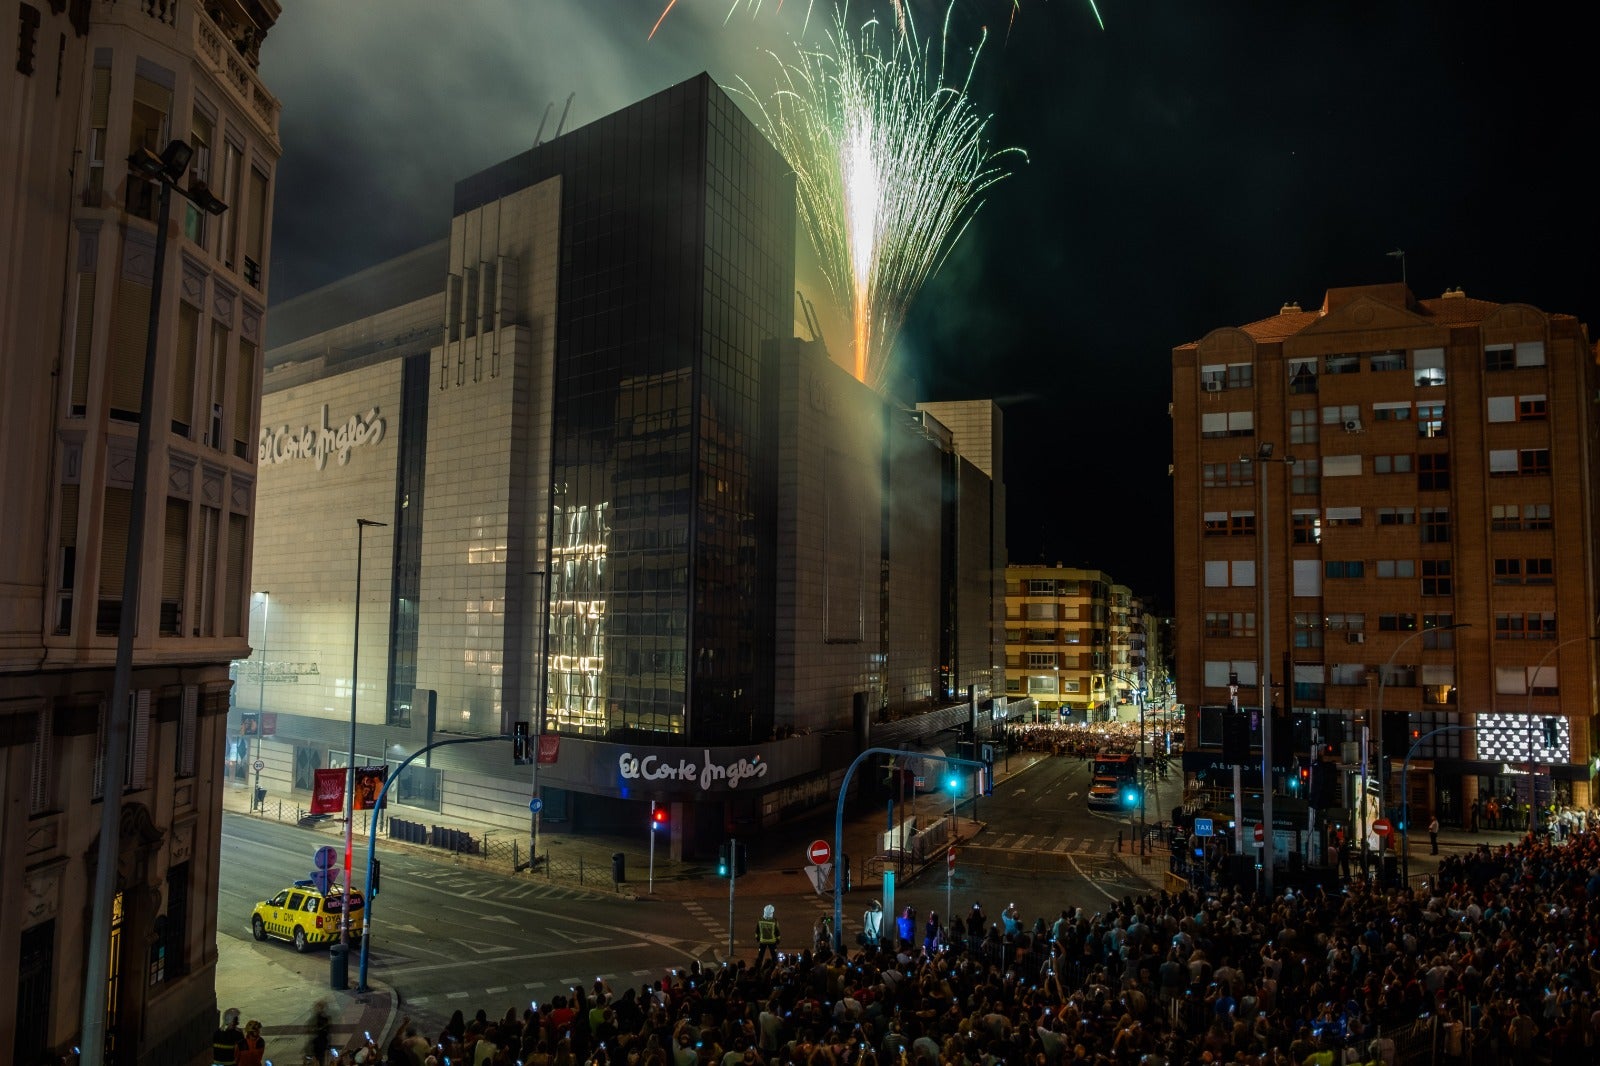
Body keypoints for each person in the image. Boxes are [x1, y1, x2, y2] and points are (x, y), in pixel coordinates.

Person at [307, 1000, 332, 1066]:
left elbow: (327, 1029)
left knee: (320, 1057)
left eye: (319, 1007)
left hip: (321, 1041)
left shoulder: (324, 1018)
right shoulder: (319, 1017)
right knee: (319, 1057)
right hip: (318, 1041)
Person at [755, 904, 780, 968]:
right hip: (772, 941)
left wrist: (757, 938)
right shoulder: (774, 921)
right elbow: (777, 932)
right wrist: (778, 940)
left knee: (760, 956)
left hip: (762, 941)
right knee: (774, 956)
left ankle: (758, 968)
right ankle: (775, 968)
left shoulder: (760, 920)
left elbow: (757, 930)